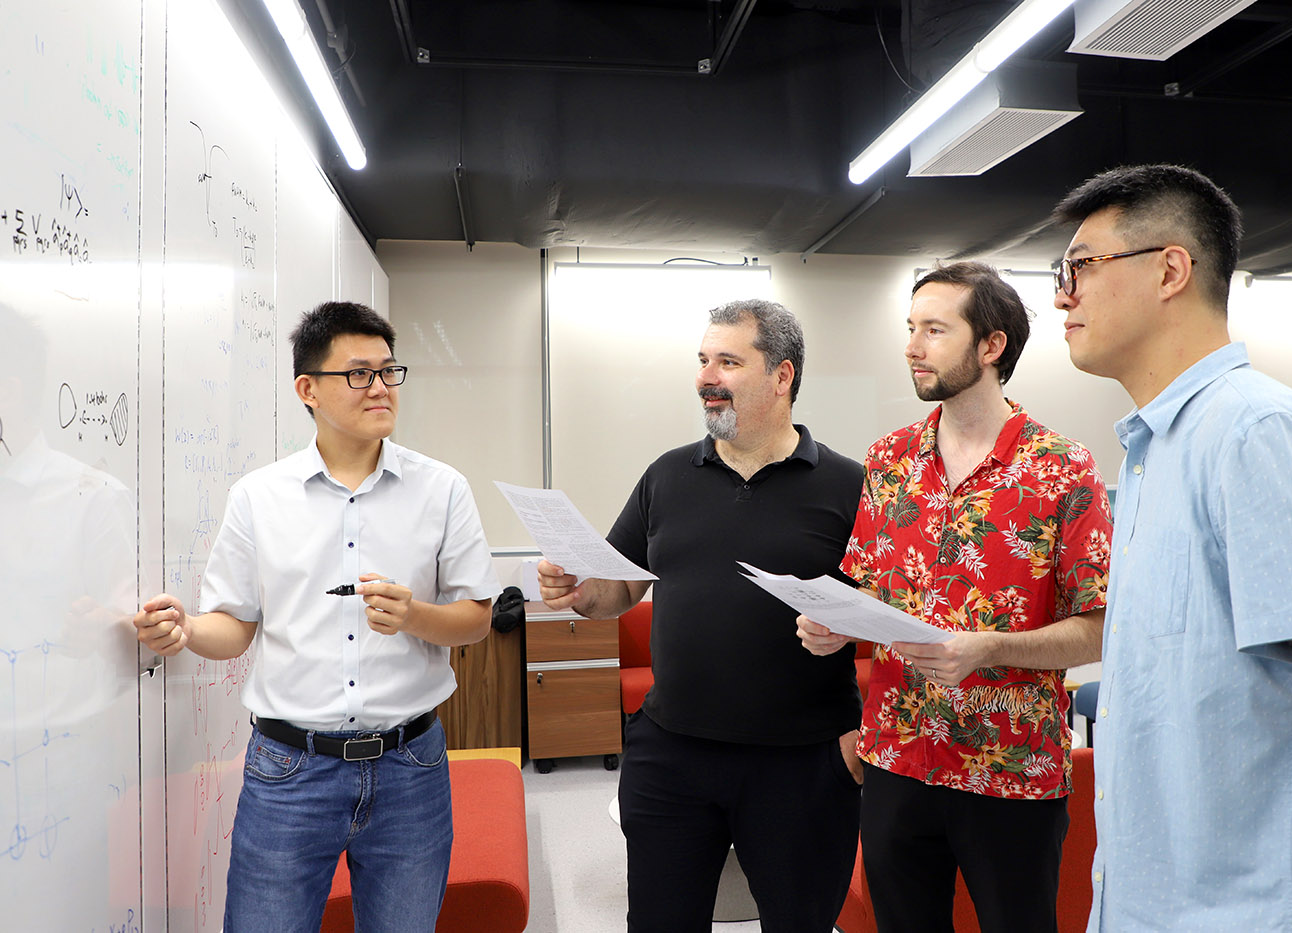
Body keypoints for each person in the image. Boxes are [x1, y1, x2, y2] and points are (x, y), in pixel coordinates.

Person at [133, 300, 500, 932]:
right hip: (289, 770)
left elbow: (476, 619)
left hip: (410, 765)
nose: (381, 387)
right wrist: (188, 631)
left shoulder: (442, 489)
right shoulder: (258, 496)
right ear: (309, 389)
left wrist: (414, 615)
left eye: (389, 371)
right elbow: (234, 625)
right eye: (359, 373)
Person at [1052, 163, 1292, 930]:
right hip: (1151, 902)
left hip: (1251, 909)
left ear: (1170, 270)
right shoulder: (1150, 452)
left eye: (1081, 267)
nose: (1063, 294)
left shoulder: (1256, 432)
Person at [798, 261, 1112, 933]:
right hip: (896, 758)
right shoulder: (888, 460)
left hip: (1011, 767)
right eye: (911, 328)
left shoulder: (1063, 467)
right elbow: (866, 586)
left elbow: (1100, 626)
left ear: (991, 345)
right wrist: (833, 624)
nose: (912, 346)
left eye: (934, 329)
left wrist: (991, 646)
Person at [538, 298, 863, 932]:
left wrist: (858, 738)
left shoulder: (852, 485)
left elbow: (893, 610)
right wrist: (579, 590)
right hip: (672, 753)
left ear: (782, 375)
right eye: (703, 361)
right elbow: (620, 590)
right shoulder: (666, 475)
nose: (706, 376)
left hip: (802, 763)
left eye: (728, 361)